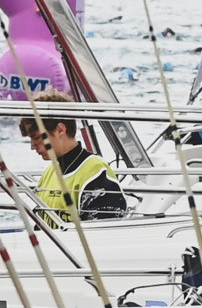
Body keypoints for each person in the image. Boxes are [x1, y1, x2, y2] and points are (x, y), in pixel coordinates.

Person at [20, 91, 129, 220]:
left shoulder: (96, 174)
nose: (33, 146)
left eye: (37, 138)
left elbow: (103, 235)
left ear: (61, 130)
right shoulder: (49, 174)